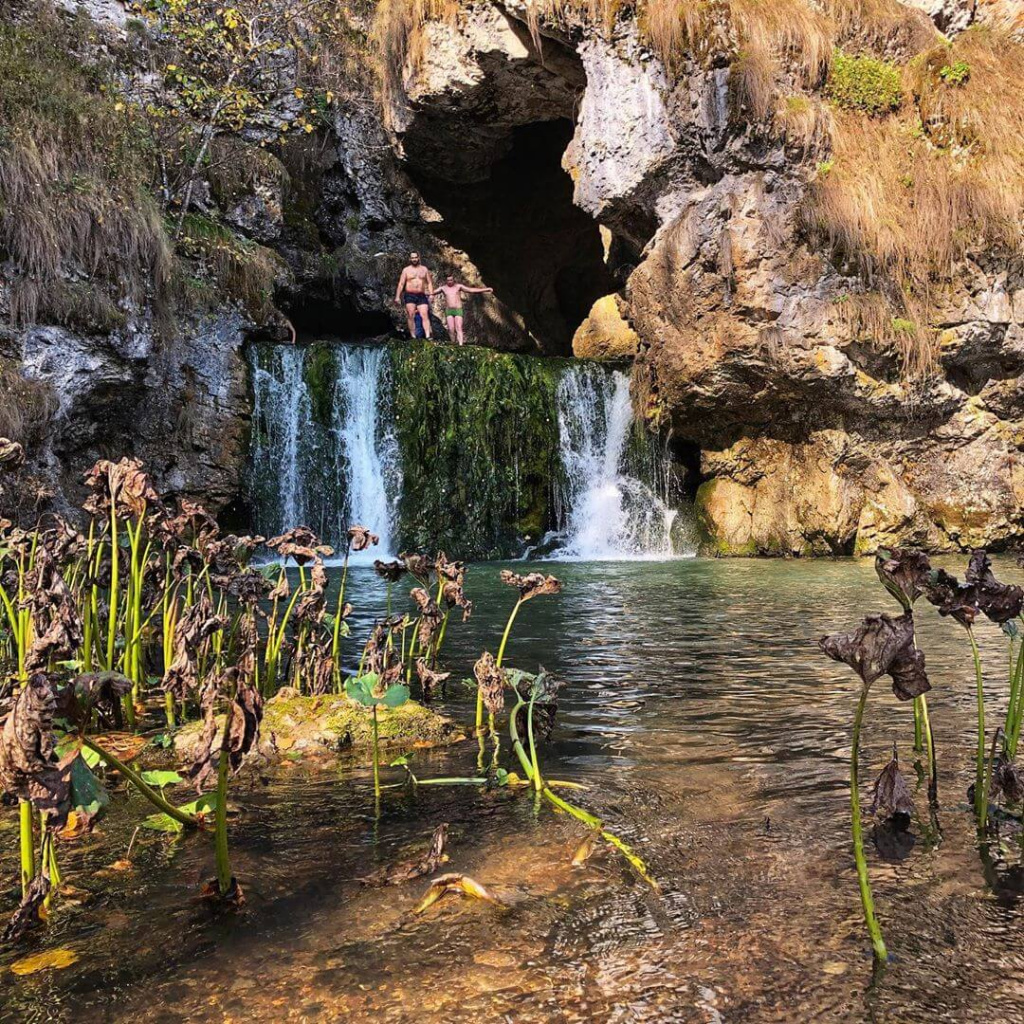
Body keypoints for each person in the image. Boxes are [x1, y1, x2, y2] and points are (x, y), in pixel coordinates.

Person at [432, 274, 493, 346]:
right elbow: (432, 292)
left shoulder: (458, 286)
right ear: (446, 281)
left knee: (459, 328)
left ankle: (461, 344)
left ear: (453, 280)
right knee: (451, 329)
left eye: (451, 280)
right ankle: (453, 344)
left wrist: (486, 289)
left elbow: (471, 290)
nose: (450, 282)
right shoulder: (443, 288)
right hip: (449, 310)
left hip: (458, 309)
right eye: (448, 280)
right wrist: (417, 292)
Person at [395, 252, 435, 340]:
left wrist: (431, 294)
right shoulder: (406, 270)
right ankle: (413, 336)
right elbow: (401, 284)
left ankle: (428, 336)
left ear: (418, 258)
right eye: (412, 258)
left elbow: (429, 282)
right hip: (409, 294)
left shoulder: (424, 269)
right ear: (410, 259)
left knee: (424, 314)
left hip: (421, 294)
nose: (414, 259)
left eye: (416, 257)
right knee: (411, 315)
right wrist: (397, 296)